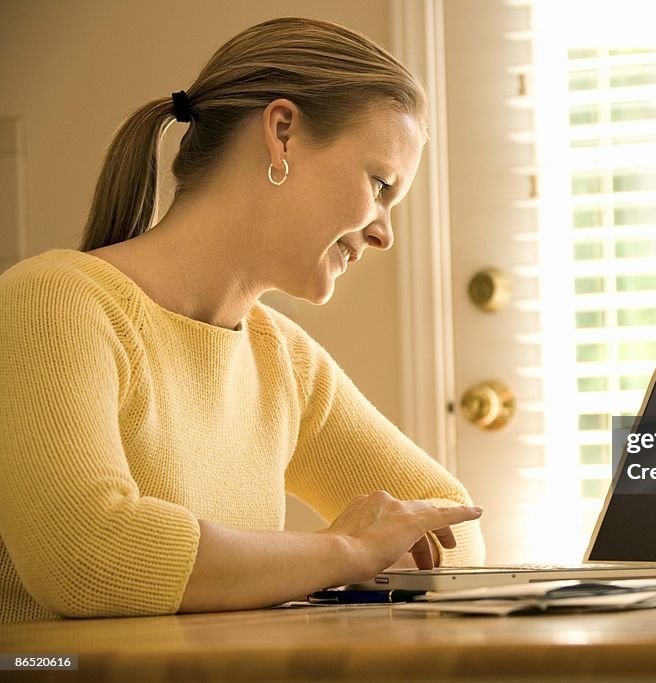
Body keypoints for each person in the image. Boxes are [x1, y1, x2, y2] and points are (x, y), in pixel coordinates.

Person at [0, 17, 484, 623]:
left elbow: (450, 530)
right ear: (281, 132)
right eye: (380, 184)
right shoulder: (52, 303)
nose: (385, 233)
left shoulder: (283, 359)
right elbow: (89, 557)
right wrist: (343, 551)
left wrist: (333, 560)